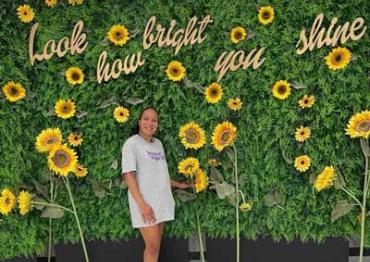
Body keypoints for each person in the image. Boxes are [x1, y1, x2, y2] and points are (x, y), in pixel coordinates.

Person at [121, 107, 191, 262]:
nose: (150, 123)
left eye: (154, 120)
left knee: (156, 247)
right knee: (152, 247)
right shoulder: (131, 144)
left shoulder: (158, 144)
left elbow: (159, 175)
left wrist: (179, 185)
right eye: (146, 119)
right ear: (139, 121)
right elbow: (128, 175)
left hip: (161, 201)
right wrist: (142, 205)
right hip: (145, 204)